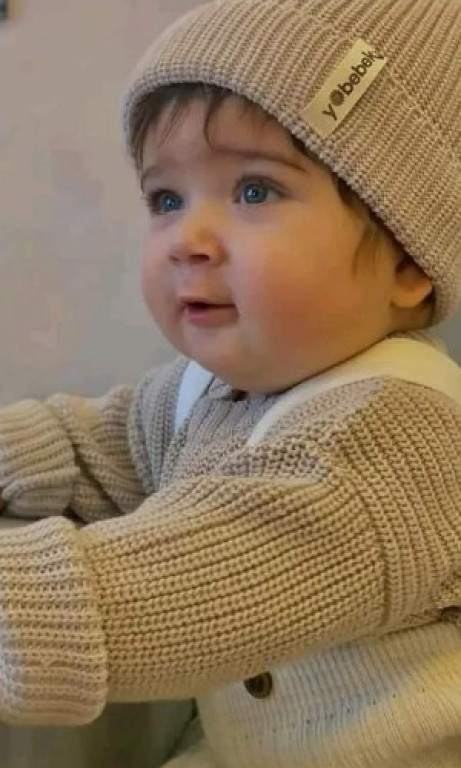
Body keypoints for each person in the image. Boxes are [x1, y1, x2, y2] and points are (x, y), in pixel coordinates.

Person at [0, 0, 460, 765]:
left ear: (409, 260)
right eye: (166, 199)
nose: (187, 238)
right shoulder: (207, 391)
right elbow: (90, 447)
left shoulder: (393, 446)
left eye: (254, 191)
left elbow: (151, 596)